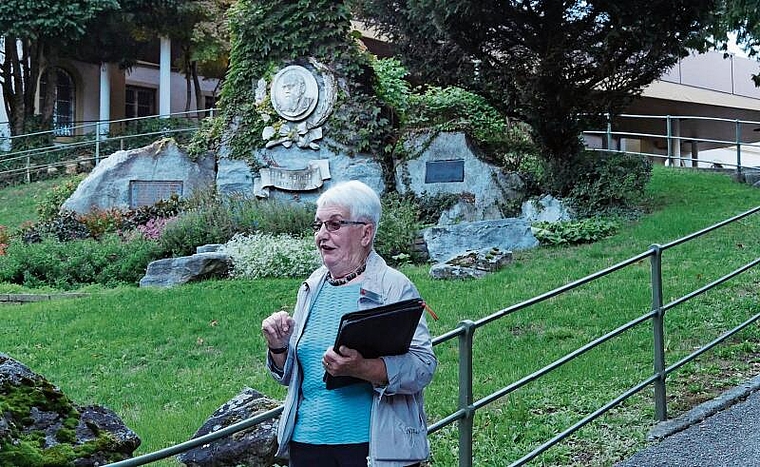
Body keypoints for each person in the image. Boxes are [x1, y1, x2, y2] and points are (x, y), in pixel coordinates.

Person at [261, 180, 437, 467]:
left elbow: (422, 367)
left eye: (334, 224)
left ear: (366, 232)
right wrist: (279, 348)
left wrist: (363, 368)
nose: (321, 235)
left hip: (371, 449)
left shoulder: (394, 287)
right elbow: (292, 374)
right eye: (318, 225)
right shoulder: (312, 286)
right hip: (306, 444)